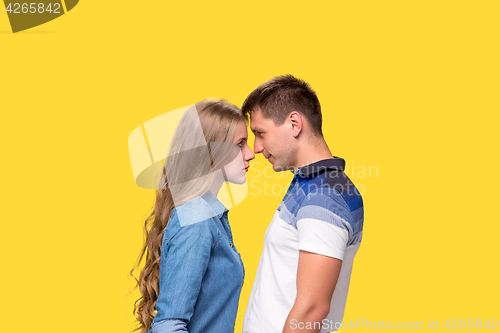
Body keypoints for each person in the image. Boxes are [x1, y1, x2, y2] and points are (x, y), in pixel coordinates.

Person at [242, 75, 364, 333]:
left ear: (295, 123)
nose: (257, 147)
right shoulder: (313, 184)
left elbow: (312, 310)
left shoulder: (324, 196)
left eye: (260, 133)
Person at [130, 99, 255, 333]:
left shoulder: (208, 215)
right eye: (240, 144)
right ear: (210, 151)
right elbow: (168, 326)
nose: (250, 154)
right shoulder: (197, 218)